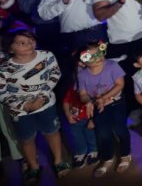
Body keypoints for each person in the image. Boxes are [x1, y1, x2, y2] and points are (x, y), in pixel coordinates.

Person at [0, 30, 70, 182]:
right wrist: (23, 105)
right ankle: (33, 166)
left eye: (31, 40)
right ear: (10, 48)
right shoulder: (4, 68)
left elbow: (55, 74)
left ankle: (58, 161)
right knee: (26, 139)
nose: (29, 44)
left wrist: (42, 97)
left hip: (46, 104)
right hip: (20, 111)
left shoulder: (46, 55)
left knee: (52, 132)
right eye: (22, 43)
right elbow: (2, 92)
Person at [76, 40, 132, 177]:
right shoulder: (82, 75)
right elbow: (83, 94)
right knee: (103, 133)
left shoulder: (112, 65)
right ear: (82, 62)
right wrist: (88, 102)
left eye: (100, 53)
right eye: (91, 56)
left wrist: (103, 98)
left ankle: (125, 154)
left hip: (117, 102)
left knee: (120, 129)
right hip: (98, 107)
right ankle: (107, 158)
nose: (98, 58)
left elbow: (120, 85)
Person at [62, 73, 97, 169]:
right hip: (75, 119)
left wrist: (92, 120)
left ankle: (93, 151)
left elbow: (95, 105)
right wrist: (68, 115)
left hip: (87, 118)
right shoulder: (71, 89)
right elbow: (65, 102)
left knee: (90, 135)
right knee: (77, 137)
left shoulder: (91, 89)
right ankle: (81, 152)